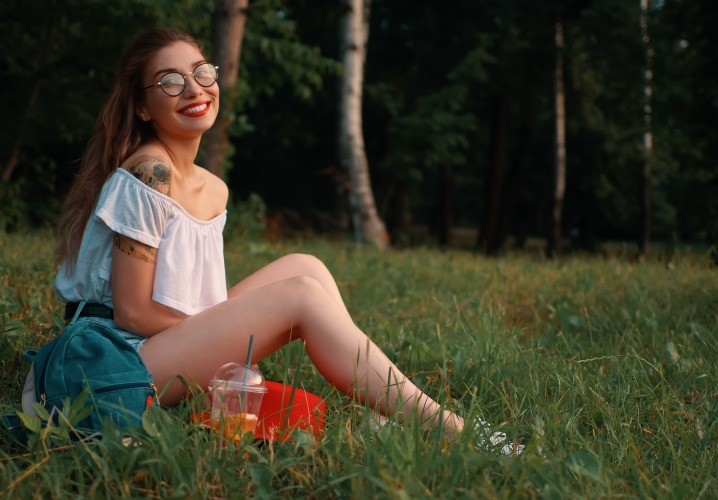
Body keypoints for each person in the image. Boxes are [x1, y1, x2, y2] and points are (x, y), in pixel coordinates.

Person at [49, 28, 497, 445]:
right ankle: (453, 430)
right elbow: (131, 313)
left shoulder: (212, 188)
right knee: (299, 295)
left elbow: (190, 299)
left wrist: (229, 334)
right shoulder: (150, 174)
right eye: (169, 81)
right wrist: (234, 337)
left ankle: (388, 401)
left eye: (202, 72)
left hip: (160, 345)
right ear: (143, 107)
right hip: (115, 356)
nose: (194, 89)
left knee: (306, 267)